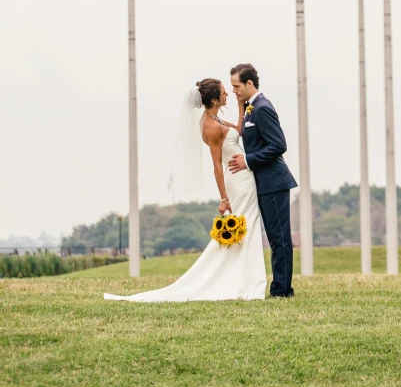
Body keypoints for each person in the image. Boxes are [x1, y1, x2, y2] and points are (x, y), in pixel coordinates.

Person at [104, 79, 266, 302]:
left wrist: (240, 106)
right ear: (214, 99)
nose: (227, 94)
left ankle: (248, 278)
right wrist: (224, 198)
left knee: (249, 225)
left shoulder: (215, 119)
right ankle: (246, 280)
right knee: (247, 224)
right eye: (223, 92)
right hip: (237, 180)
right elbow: (217, 165)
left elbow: (238, 130)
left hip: (242, 177)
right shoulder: (210, 125)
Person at [229, 63, 297, 298]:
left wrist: (248, 160)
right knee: (274, 237)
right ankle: (279, 287)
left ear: (249, 83)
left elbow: (279, 145)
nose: (234, 91)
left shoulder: (262, 108)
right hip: (263, 184)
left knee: (279, 238)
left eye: (236, 86)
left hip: (274, 183)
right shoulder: (250, 108)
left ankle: (282, 290)